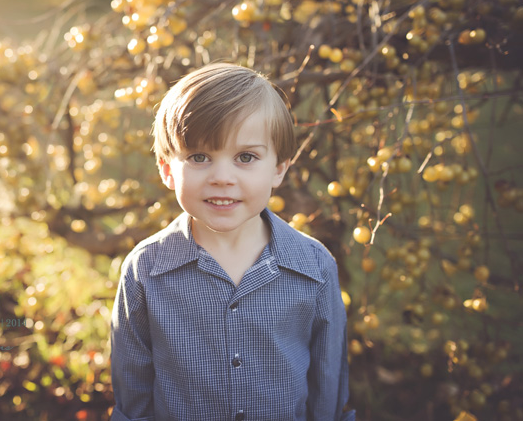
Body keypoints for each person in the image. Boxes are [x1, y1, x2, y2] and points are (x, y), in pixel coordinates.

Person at [110, 63, 354, 421]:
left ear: (279, 169)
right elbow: (132, 398)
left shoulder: (314, 267)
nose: (222, 177)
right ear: (166, 168)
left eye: (245, 157)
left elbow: (328, 392)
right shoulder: (145, 271)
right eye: (199, 157)